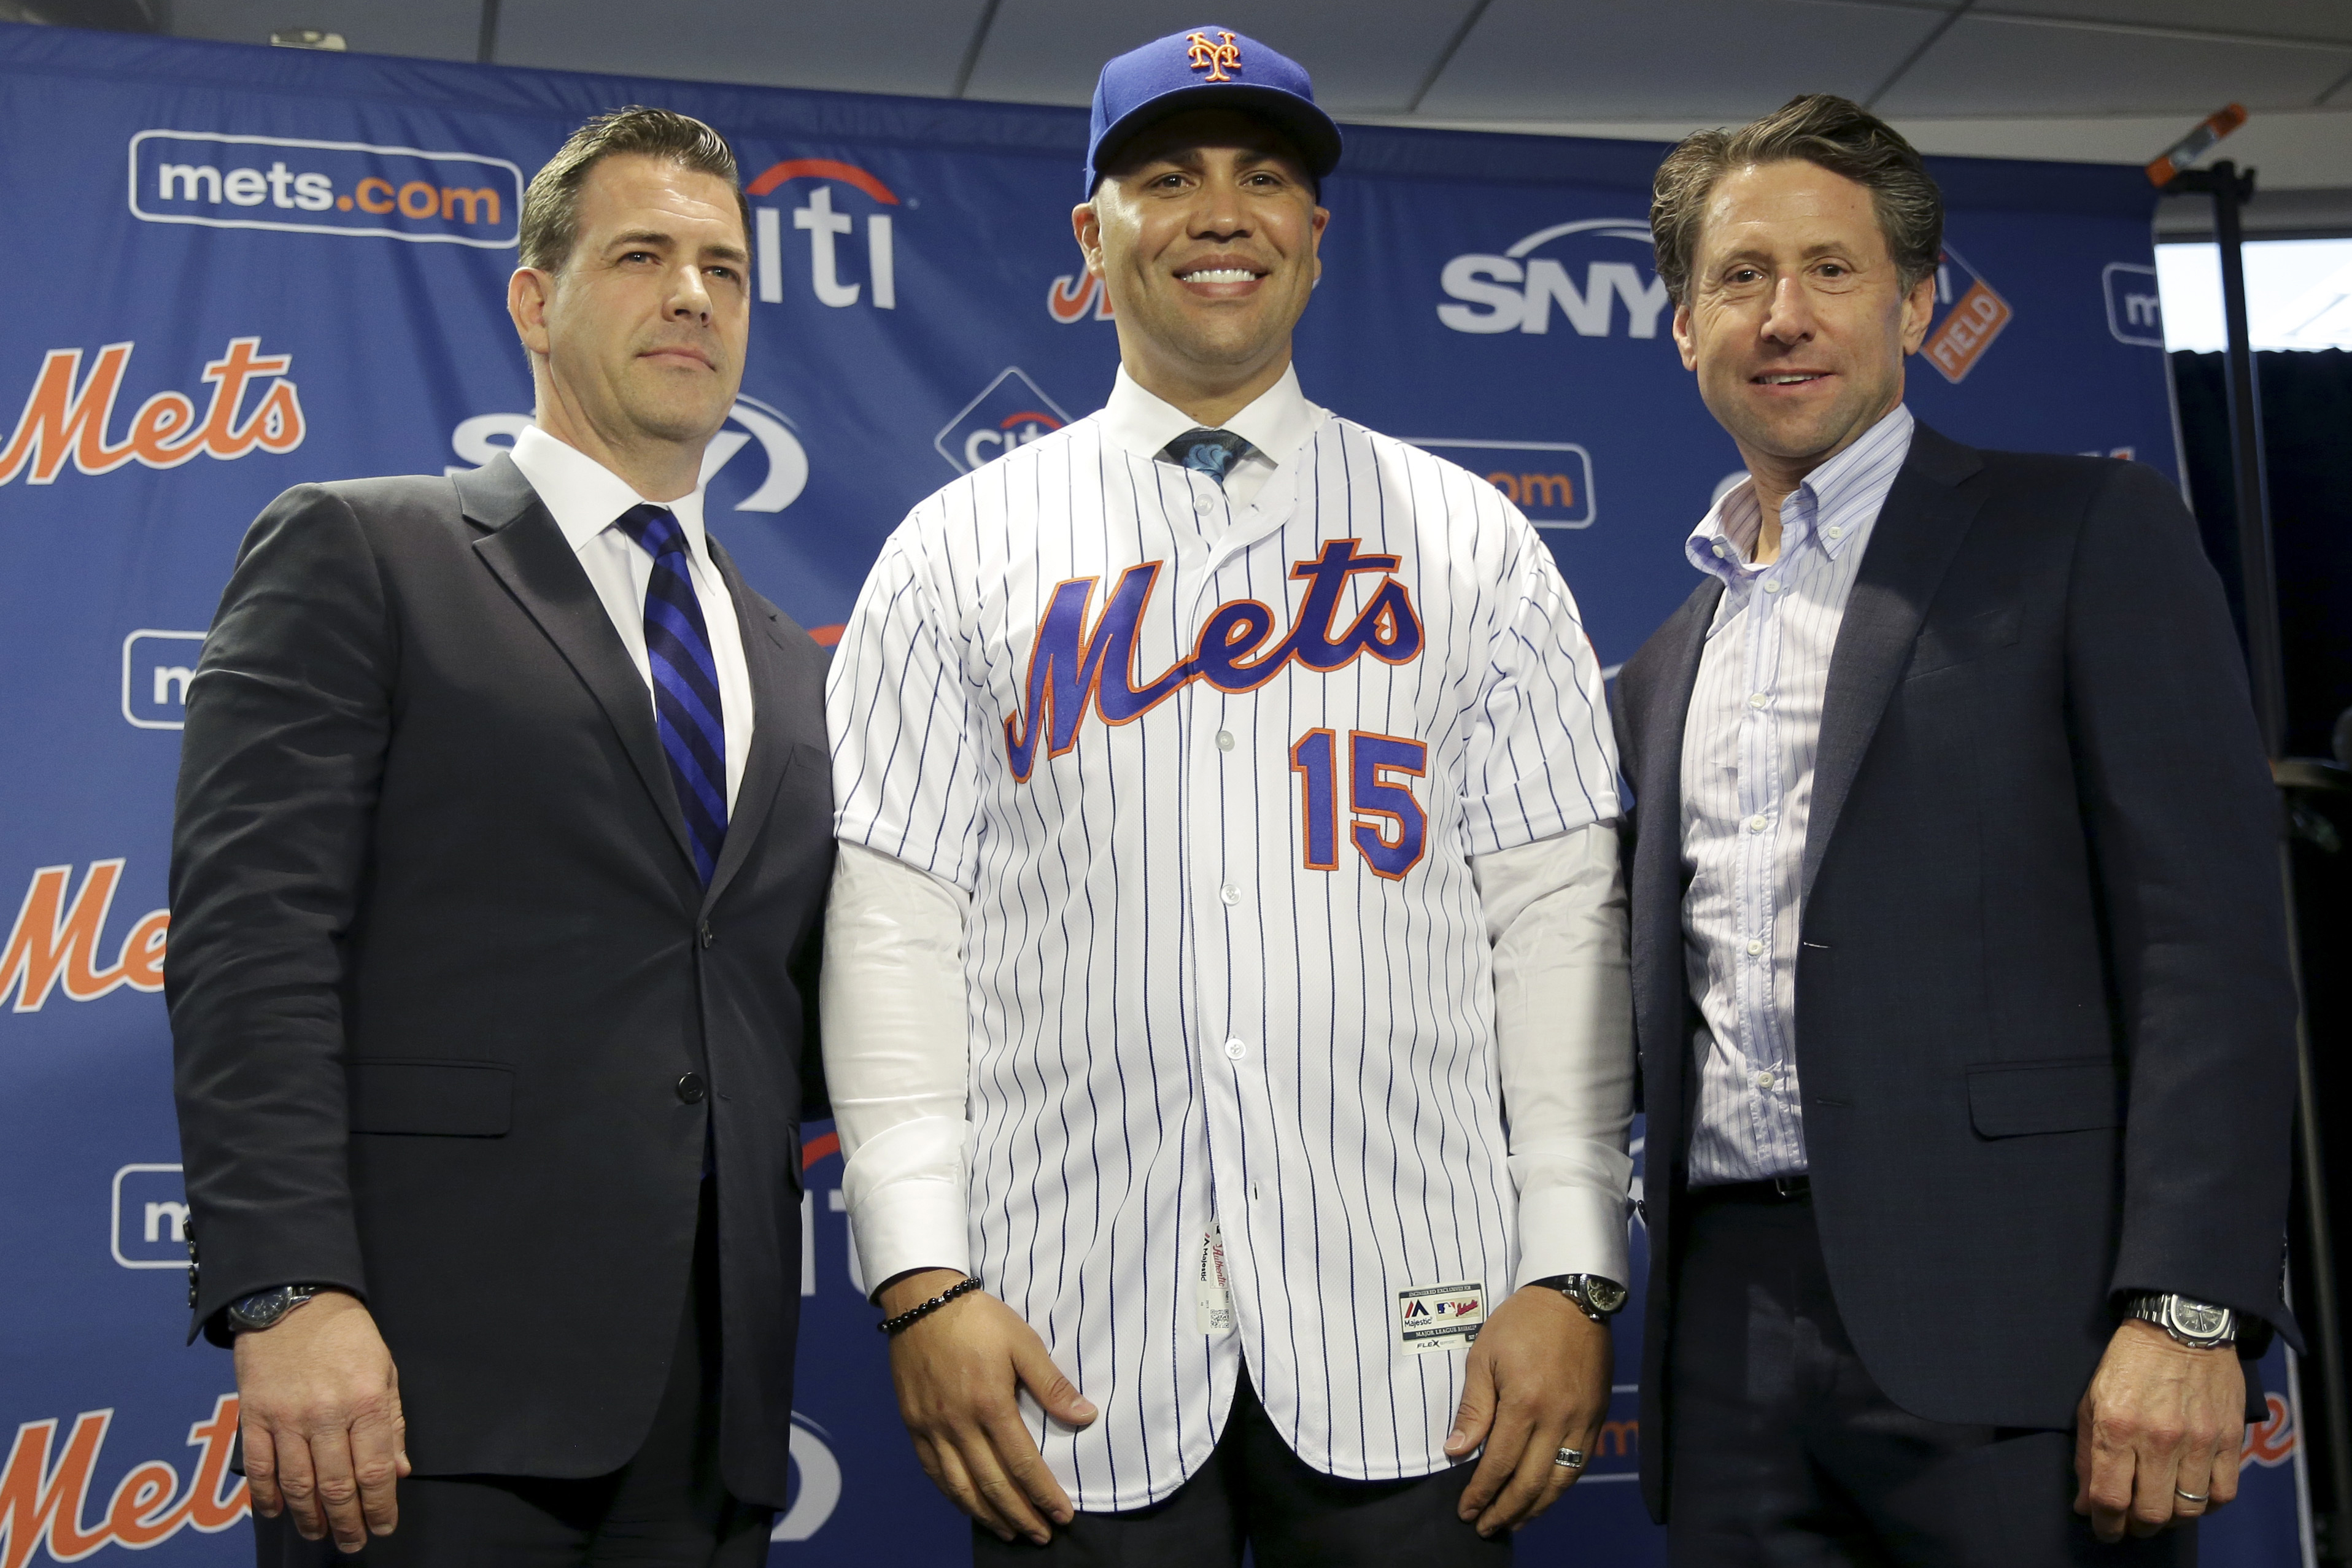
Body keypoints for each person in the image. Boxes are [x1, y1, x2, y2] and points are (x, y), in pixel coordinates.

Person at [822, 25, 1636, 1567]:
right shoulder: (956, 546)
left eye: (1264, 177)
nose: (1220, 211)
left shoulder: (1468, 542)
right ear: (1092, 235)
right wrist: (920, 1275)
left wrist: (1571, 1267)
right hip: (1068, 1335)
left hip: (1424, 1328)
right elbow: (894, 929)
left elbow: (1553, 921)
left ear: (1314, 236)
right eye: (1166, 175)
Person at [1611, 93, 2301, 1566]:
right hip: (1723, 1349)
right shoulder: (1662, 661)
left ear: (1917, 303)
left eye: (1830, 270)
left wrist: (2185, 1309)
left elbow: (2210, 948)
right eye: (1738, 279)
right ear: (1683, 328)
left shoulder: (2077, 535)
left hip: (2026, 1338)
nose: (1782, 315)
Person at [168, 106, 834, 1566]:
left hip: (713, 1415)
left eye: (725, 269)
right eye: (642, 255)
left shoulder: (790, 659)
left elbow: (801, 1006)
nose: (690, 298)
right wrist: (286, 1293)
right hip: (419, 1395)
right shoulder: (363, 547)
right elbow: (250, 942)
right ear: (535, 300)